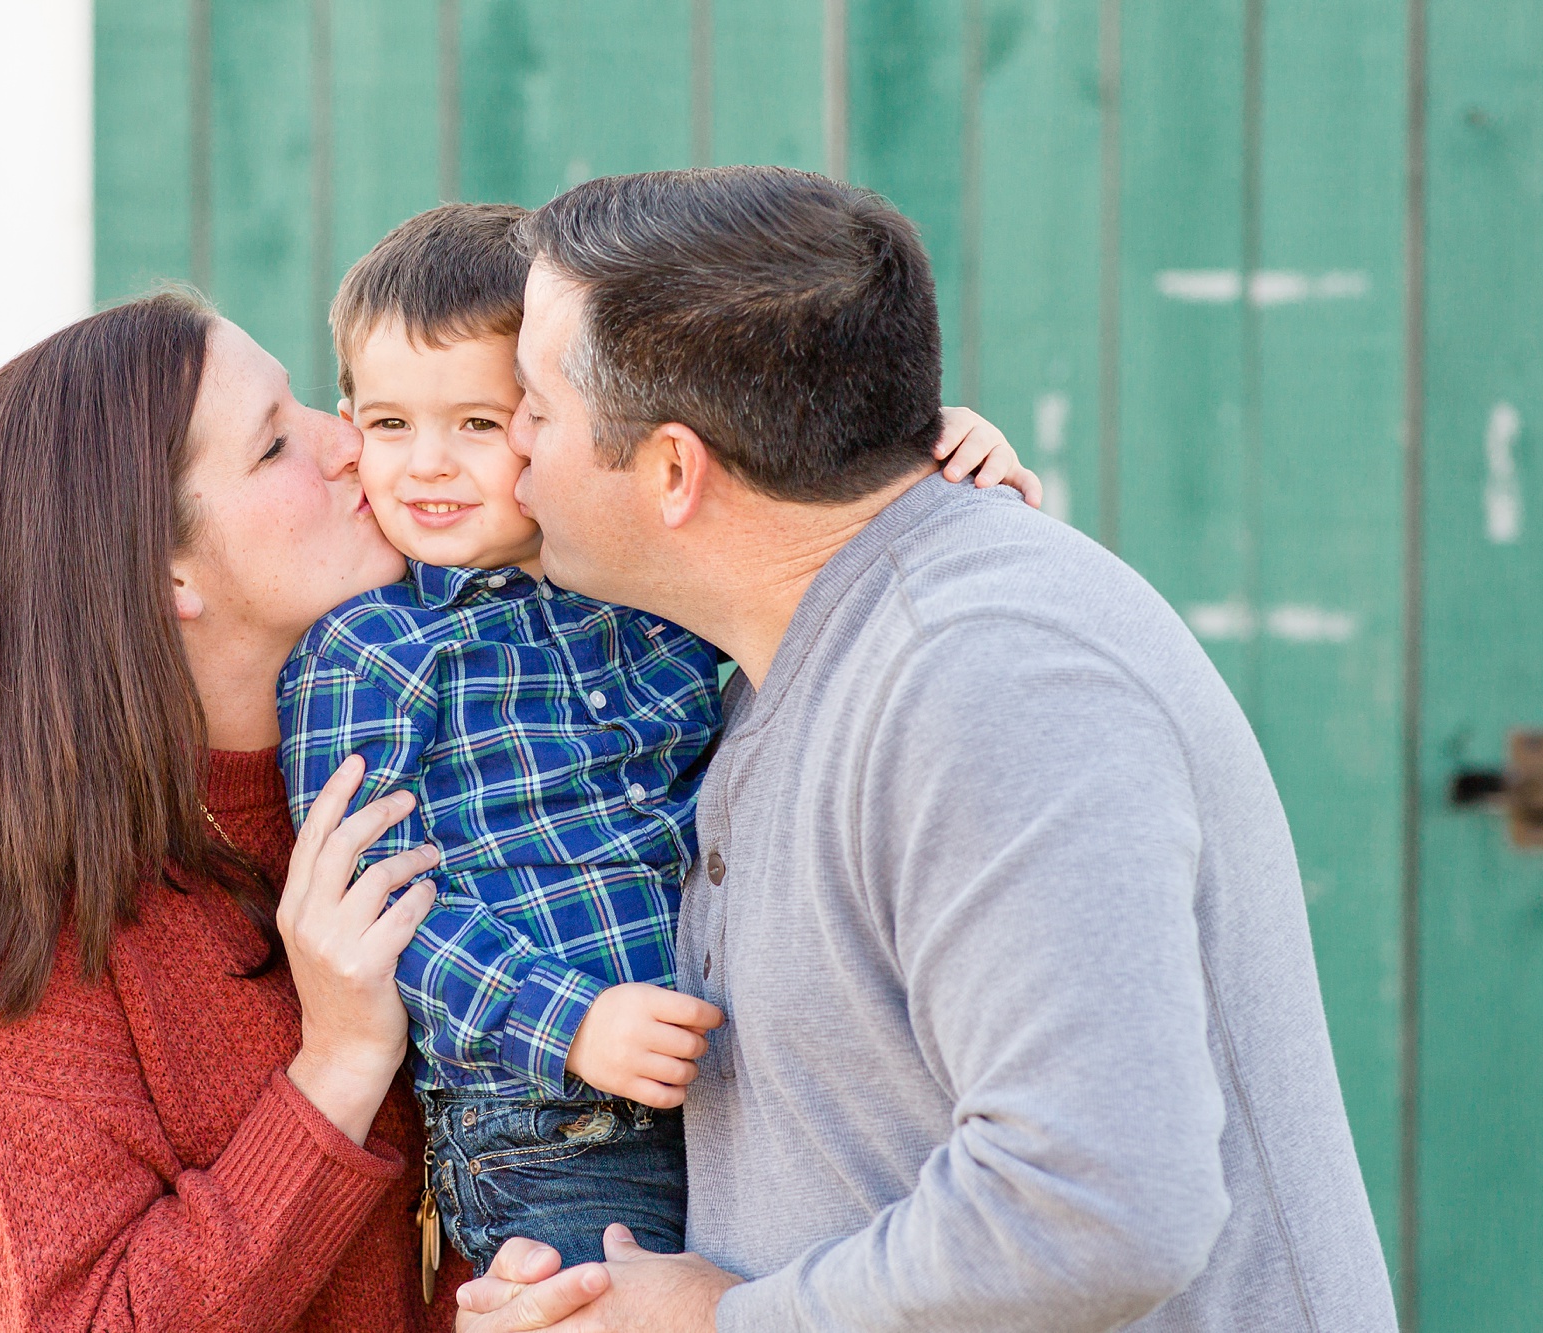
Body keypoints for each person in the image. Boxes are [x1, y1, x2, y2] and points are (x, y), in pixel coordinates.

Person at [456, 165, 1399, 1331]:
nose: (510, 450)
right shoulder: (783, 646)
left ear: (671, 470)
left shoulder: (986, 677)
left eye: (532, 408)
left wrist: (712, 1321)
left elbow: (1095, 1207)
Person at [277, 203, 1041, 1277]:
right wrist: (569, 1021)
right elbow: (377, 913)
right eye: (390, 423)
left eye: (480, 423)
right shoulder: (372, 649)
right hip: (548, 1123)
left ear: (547, 424)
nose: (427, 465)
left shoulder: (636, 584)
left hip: (727, 1086)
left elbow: (795, 562)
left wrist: (931, 458)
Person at [0, 291, 470, 1330]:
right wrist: (338, 1065)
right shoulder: (32, 943)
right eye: (275, 444)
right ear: (164, 569)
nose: (350, 441)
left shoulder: (417, 758)